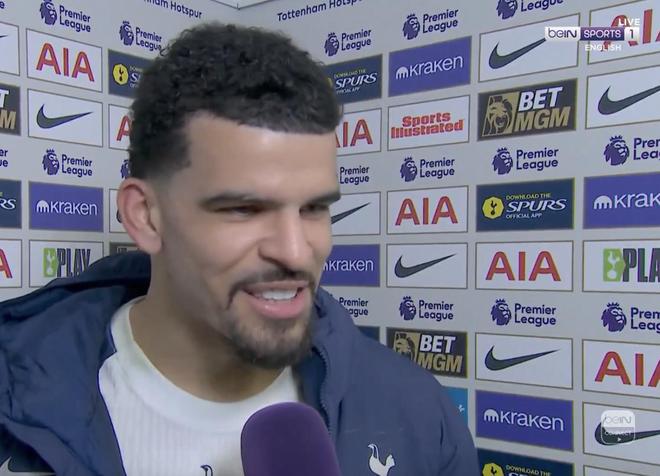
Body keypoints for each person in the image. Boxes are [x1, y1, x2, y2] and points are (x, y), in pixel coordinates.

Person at [0, 23, 478, 475]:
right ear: (145, 216)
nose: (295, 253)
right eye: (245, 209)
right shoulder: (15, 402)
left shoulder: (415, 413)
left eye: (314, 208)